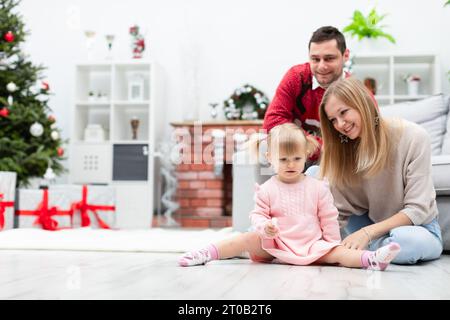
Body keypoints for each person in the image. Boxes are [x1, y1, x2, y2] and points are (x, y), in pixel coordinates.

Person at [178, 123, 401, 270]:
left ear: (305, 155)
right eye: (283, 160)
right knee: (244, 239)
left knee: (340, 253)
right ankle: (206, 253)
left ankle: (371, 260)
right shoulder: (267, 189)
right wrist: (264, 227)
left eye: (296, 158)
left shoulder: (317, 187)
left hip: (311, 244)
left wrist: (331, 244)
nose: (290, 164)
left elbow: (328, 217)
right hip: (276, 243)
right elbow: (258, 215)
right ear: (269, 158)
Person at [318, 77, 443, 264]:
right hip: (370, 223)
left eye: (344, 112)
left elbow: (418, 210)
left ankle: (361, 251)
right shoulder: (343, 148)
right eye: (333, 120)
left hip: (416, 228)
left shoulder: (414, 137)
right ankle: (369, 253)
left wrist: (367, 233)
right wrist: (312, 244)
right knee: (315, 174)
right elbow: (337, 212)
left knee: (406, 241)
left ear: (362, 104)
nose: (340, 124)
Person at [263, 26, 350, 164]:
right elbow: (272, 122)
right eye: (315, 59)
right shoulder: (297, 77)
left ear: (345, 56)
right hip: (298, 153)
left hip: (338, 157)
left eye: (329, 59)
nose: (321, 66)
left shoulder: (356, 90)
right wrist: (318, 147)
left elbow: (370, 130)